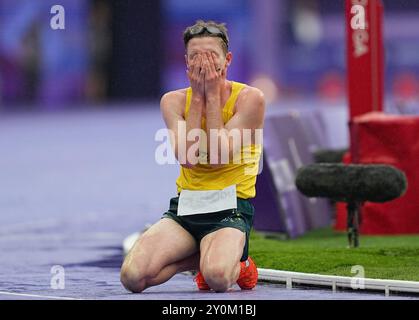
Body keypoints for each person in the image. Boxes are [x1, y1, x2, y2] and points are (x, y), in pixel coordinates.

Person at [120, 20, 265, 293]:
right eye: (196, 57)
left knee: (219, 279)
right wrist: (199, 97)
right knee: (132, 277)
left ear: (228, 60)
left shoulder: (250, 99)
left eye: (211, 56)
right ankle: (201, 257)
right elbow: (188, 157)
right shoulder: (173, 101)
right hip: (187, 208)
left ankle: (242, 264)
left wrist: (211, 95)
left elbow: (219, 156)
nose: (204, 64)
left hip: (231, 208)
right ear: (186, 62)